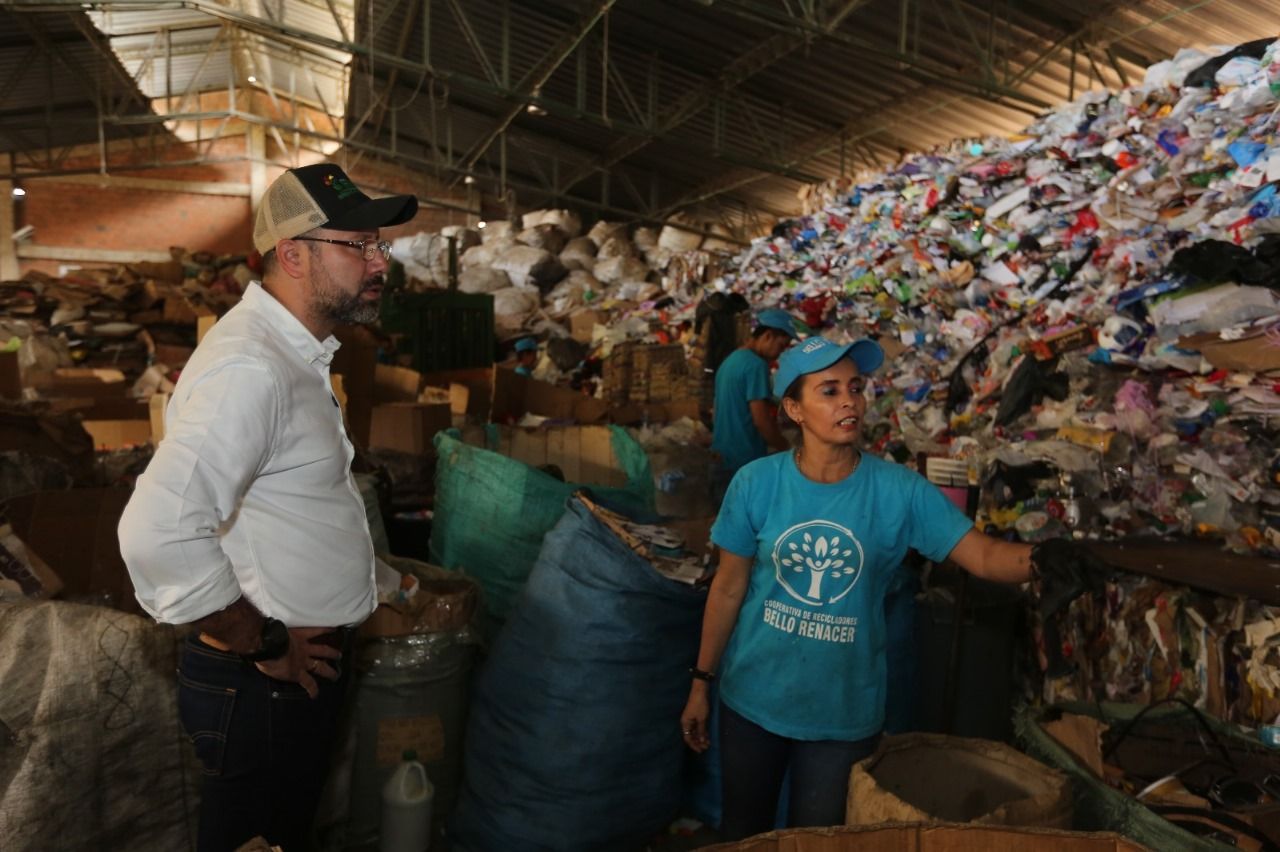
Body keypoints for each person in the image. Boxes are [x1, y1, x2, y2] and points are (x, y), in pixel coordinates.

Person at [680, 335, 1102, 838]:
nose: (850, 402)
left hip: (841, 713)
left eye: (856, 388)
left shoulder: (899, 491)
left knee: (818, 841)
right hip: (753, 698)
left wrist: (1042, 559)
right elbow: (728, 588)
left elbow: (983, 556)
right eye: (830, 391)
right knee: (743, 832)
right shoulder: (756, 483)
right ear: (793, 409)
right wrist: (700, 683)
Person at [118, 163, 417, 851]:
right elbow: (157, 531)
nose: (380, 263)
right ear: (293, 254)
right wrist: (263, 641)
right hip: (263, 683)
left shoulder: (293, 357)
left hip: (293, 671)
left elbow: (295, 507)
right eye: (359, 246)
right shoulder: (251, 369)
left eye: (380, 246)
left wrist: (381, 583)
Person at [710, 308, 798, 478]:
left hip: (722, 455)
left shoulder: (731, 360)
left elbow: (717, 410)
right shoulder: (756, 365)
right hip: (744, 460)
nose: (780, 353)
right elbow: (761, 421)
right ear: (768, 336)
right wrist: (787, 449)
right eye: (781, 346)